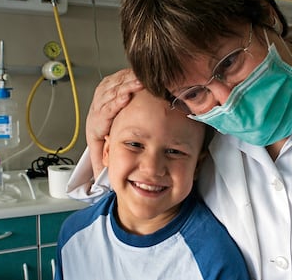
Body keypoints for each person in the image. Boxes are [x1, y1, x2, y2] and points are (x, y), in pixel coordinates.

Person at [67, 0, 292, 280]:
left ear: (264, 11)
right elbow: (127, 212)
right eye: (196, 93)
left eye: (229, 62)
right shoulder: (194, 135)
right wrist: (97, 133)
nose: (227, 100)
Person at [56, 89, 250, 280]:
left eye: (174, 151)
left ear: (197, 166)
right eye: (134, 144)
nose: (151, 168)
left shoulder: (215, 259)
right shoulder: (74, 235)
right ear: (106, 151)